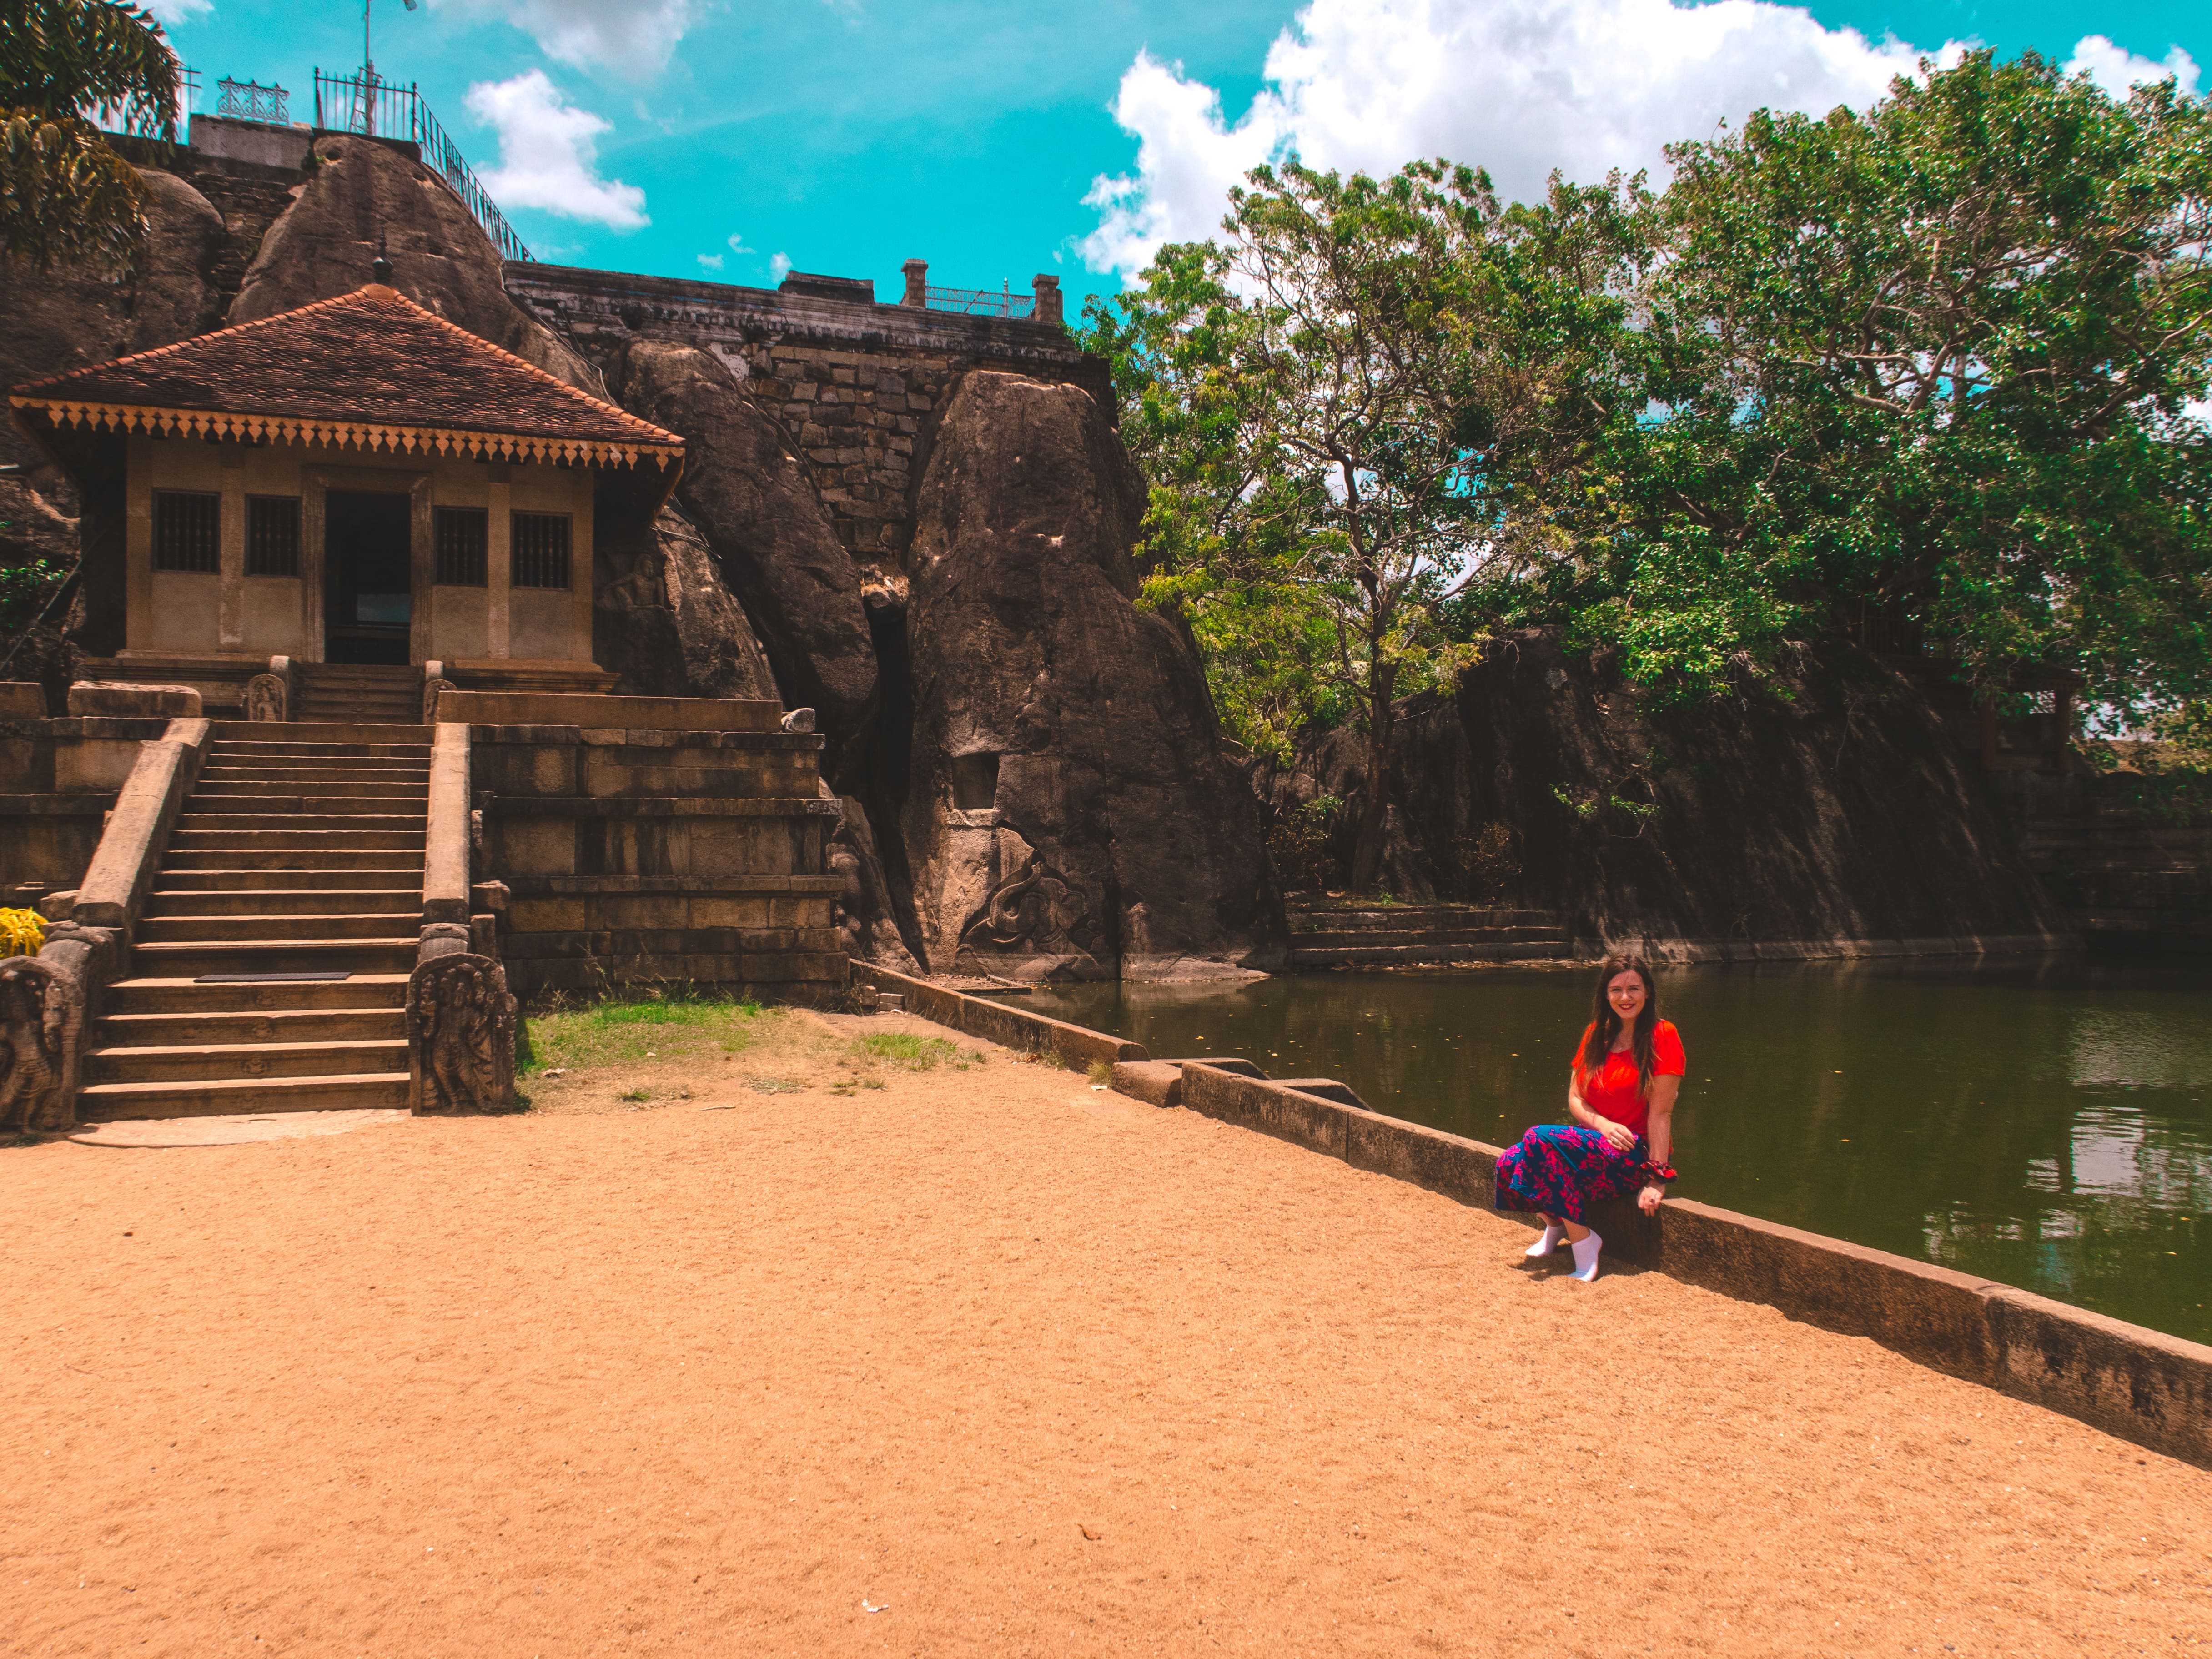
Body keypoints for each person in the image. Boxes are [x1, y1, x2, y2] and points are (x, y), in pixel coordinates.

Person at [1493, 953, 1682, 1282]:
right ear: (1605, 995)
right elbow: (1575, 1098)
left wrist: (1657, 1178)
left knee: (1538, 1137)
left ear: (1648, 992)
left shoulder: (1663, 1035)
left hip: (1632, 1153)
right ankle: (1555, 1226)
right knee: (1508, 1163)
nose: (1625, 998)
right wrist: (1604, 1125)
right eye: (1616, 990)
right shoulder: (1597, 1033)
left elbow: (1662, 1112)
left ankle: (1585, 1242)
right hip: (1592, 1144)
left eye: (1634, 989)